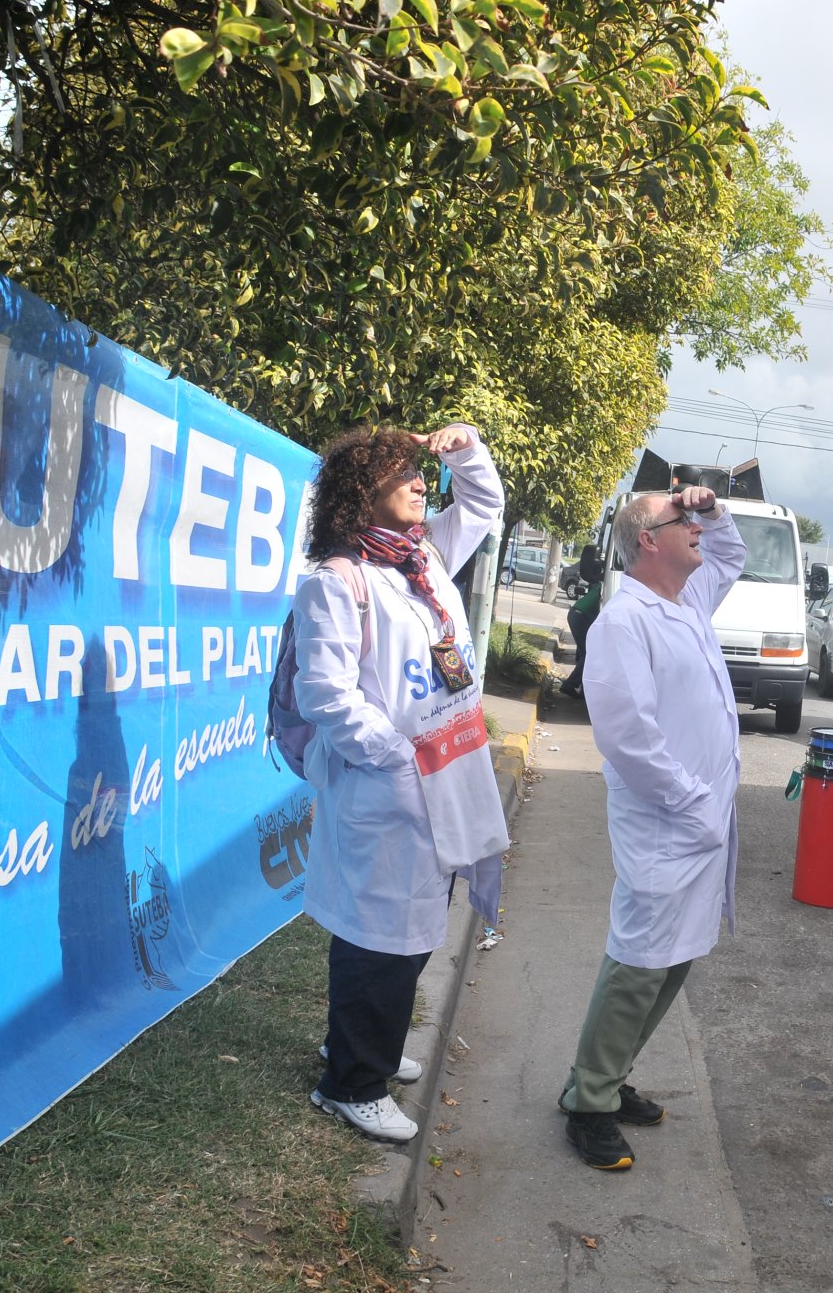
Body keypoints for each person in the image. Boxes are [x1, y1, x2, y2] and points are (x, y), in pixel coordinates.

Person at [293, 423, 508, 1143]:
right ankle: (351, 1084)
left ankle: (364, 1049)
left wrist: (464, 448)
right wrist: (398, 759)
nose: (421, 483)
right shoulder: (336, 581)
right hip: (390, 787)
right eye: (402, 473)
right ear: (362, 491)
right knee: (378, 934)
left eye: (420, 471)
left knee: (415, 928)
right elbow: (325, 695)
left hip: (443, 779)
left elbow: (483, 503)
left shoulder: (424, 555)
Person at [559, 484, 745, 1170]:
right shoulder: (623, 622)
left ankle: (606, 1077)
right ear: (647, 538)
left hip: (700, 821)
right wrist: (692, 801)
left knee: (675, 956)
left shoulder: (689, 600)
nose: (696, 526)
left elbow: (731, 554)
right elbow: (627, 736)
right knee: (639, 962)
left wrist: (713, 508)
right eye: (682, 519)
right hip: (668, 821)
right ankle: (588, 1102)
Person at [559, 543, 604, 698]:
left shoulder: (599, 584)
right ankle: (570, 684)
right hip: (580, 616)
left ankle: (580, 684)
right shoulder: (606, 587)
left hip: (576, 614)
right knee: (591, 655)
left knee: (584, 652)